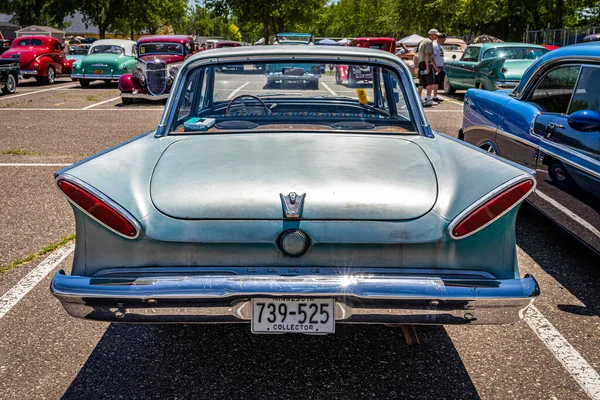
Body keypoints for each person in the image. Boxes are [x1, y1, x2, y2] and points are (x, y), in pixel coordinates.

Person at [417, 29, 440, 107]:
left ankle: (418, 98)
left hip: (421, 63)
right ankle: (428, 99)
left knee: (421, 82)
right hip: (426, 63)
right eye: (436, 35)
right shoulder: (429, 42)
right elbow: (427, 55)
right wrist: (428, 67)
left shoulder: (423, 41)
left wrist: (435, 67)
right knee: (430, 82)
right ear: (432, 35)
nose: (437, 36)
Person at [432, 33, 447, 103]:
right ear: (440, 38)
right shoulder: (435, 45)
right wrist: (435, 67)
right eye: (443, 39)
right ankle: (434, 97)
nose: (444, 41)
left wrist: (443, 62)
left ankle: (435, 96)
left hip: (440, 66)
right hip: (436, 66)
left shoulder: (439, 46)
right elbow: (432, 58)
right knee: (435, 82)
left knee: (437, 82)